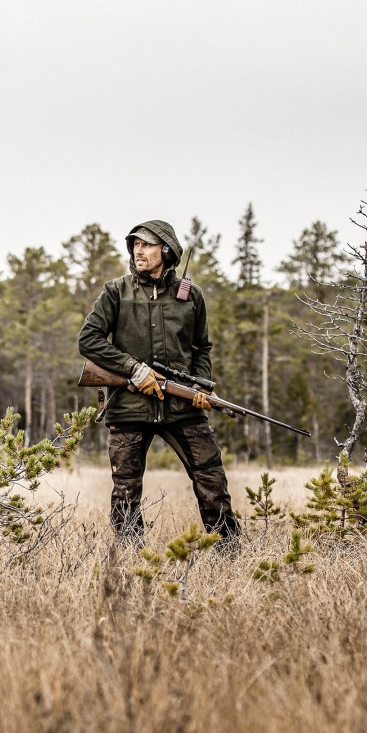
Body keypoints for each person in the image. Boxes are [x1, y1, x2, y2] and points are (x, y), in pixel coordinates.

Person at [78, 219, 241, 546]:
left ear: (166, 251)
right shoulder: (116, 292)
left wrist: (201, 387)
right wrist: (134, 369)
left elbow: (201, 348)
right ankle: (128, 556)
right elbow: (89, 340)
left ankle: (227, 547)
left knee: (211, 477)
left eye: (147, 245)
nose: (138, 251)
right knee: (125, 488)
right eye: (135, 245)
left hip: (182, 407)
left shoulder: (191, 296)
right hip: (128, 407)